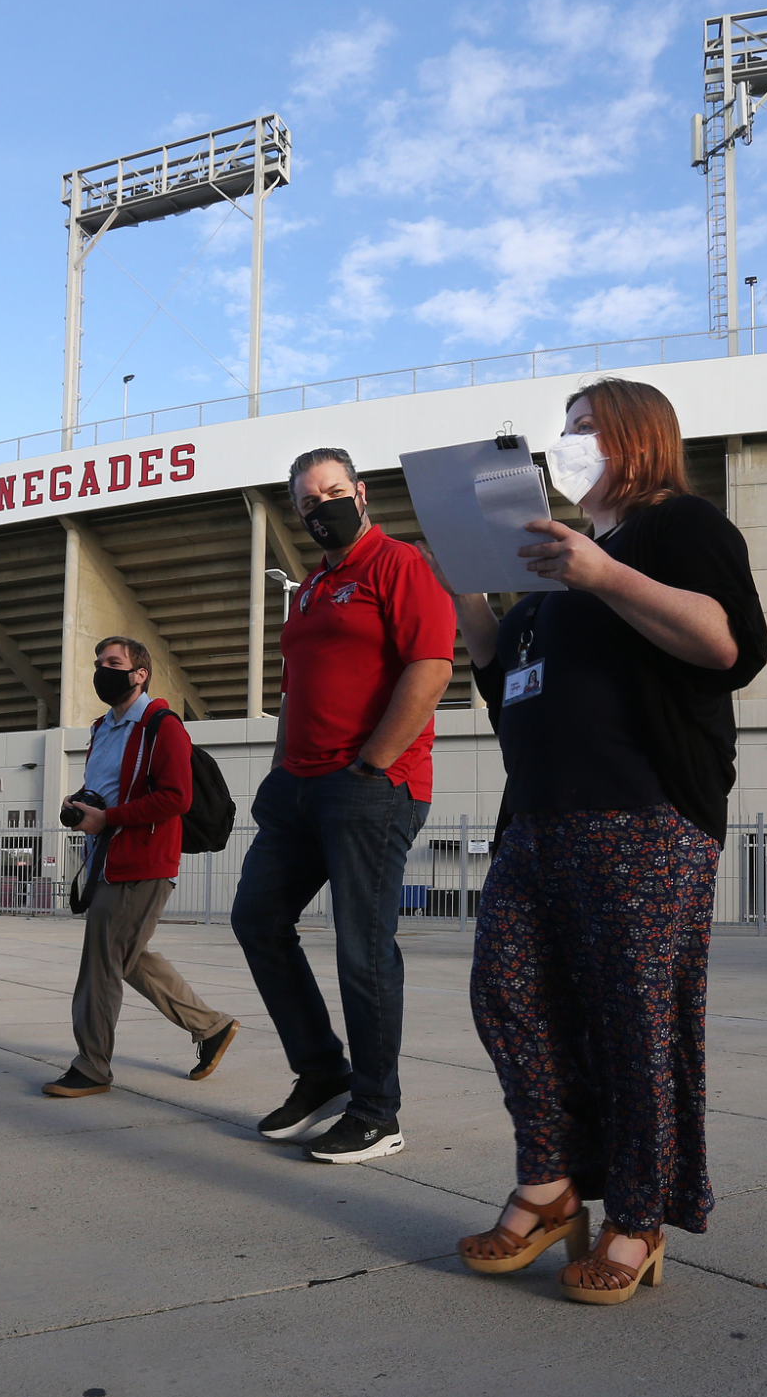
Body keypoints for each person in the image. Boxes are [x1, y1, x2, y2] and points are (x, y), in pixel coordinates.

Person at [435, 378, 767, 1304]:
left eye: (587, 429)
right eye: (566, 431)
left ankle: (635, 1215)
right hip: (537, 818)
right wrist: (469, 596)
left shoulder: (677, 527)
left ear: (638, 438)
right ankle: (549, 1186)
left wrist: (603, 574)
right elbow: (510, 686)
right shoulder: (558, 564)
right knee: (507, 996)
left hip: (643, 814)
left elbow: (728, 643)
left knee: (633, 1023)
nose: (570, 445)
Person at [230, 447, 458, 1164]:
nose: (319, 506)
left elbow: (432, 664)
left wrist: (373, 763)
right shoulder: (308, 589)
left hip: (369, 786)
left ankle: (376, 1109)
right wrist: (277, 773)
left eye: (332, 491)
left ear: (359, 492)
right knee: (258, 918)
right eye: (306, 500)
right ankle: (323, 1071)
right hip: (296, 787)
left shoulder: (397, 564)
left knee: (361, 947)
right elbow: (295, 690)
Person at [42, 636, 238, 1098]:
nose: (102, 669)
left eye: (113, 662)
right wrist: (82, 806)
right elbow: (111, 790)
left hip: (143, 862)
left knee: (101, 963)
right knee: (125, 957)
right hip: (108, 858)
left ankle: (92, 1066)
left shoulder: (161, 725)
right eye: (98, 662)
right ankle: (211, 1027)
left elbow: (177, 798)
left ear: (139, 673)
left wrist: (109, 818)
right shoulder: (103, 728)